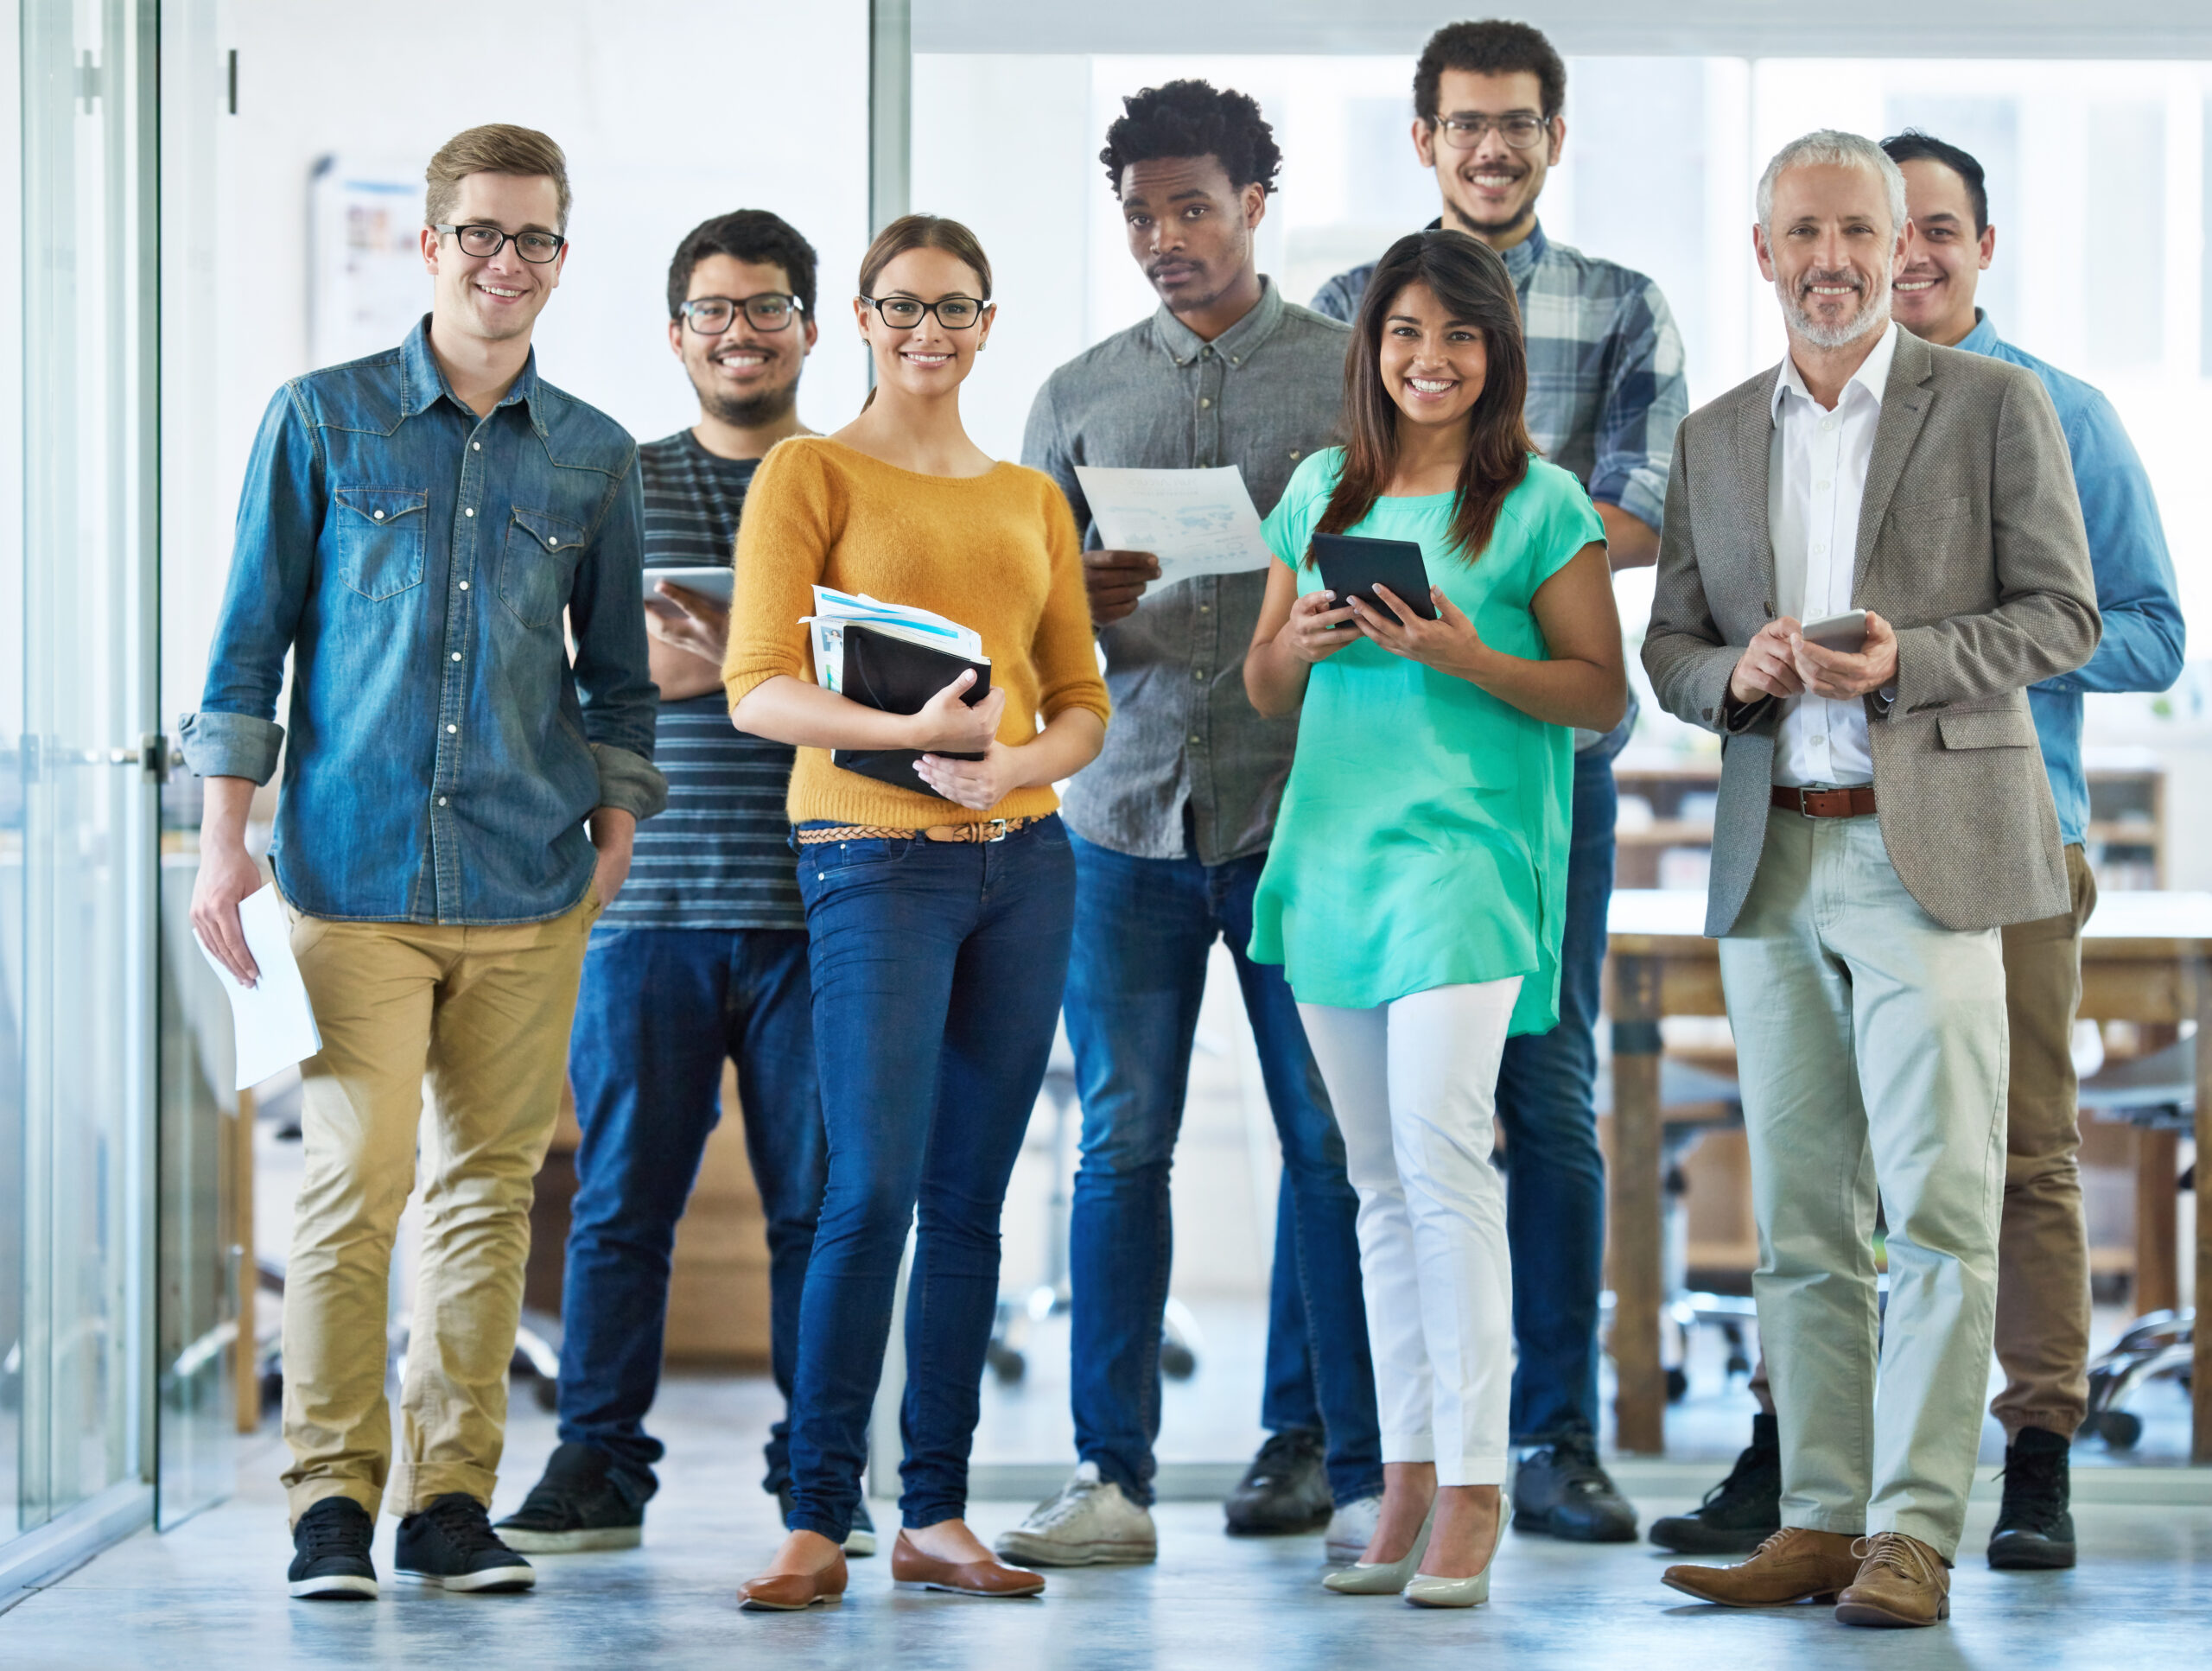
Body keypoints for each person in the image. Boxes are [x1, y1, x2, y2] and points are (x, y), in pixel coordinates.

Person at [1648, 130, 2185, 1571]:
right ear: (1764, 251)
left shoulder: (2004, 407)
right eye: (1801, 234)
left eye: (1858, 234)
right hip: (1775, 861)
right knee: (1802, 1220)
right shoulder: (1712, 435)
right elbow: (1668, 654)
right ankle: (1820, 1515)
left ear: (1904, 251)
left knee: (1951, 1208)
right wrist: (1739, 673)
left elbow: (2070, 618)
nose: (1831, 261)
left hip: (1930, 856)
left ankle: (1917, 1530)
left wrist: (1910, 659)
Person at [182, 124, 664, 1600]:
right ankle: (330, 1499)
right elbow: (249, 645)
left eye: (535, 240)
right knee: (354, 1189)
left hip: (531, 883)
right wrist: (225, 845)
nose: (506, 263)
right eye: (481, 234)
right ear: (431, 245)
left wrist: (614, 837)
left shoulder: (591, 452)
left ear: (561, 260)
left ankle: (447, 1502)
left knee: (489, 1197)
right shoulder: (320, 421)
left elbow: (622, 680)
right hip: (353, 880)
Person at [1303, 16, 1686, 1542]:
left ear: (1554, 132)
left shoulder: (1621, 305)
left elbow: (1642, 511)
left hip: (1540, 762)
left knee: (1544, 1090)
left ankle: (1552, 1439)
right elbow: (1324, 492)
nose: (1492, 144)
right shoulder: (1351, 301)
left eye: (1518, 120)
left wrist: (1496, 528)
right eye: (1465, 121)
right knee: (1362, 1136)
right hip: (1356, 781)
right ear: (1425, 137)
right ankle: (1339, 1445)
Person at [996, 78, 1382, 1572]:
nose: (1165, 237)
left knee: (1331, 1151)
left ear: (1253, 206)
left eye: (1192, 208)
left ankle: (1361, 1481)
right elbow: (1013, 624)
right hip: (1122, 820)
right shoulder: (1079, 392)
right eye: (1142, 214)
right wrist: (1065, 603)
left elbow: (1405, 556)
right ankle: (1112, 1480)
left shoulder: (1351, 373)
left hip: (1308, 814)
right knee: (1122, 1147)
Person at [721, 214, 1110, 1610]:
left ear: (988, 322)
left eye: (954, 308)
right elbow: (757, 686)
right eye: (901, 306)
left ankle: (935, 1514)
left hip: (1026, 861)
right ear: (864, 320)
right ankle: (817, 1515)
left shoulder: (1028, 499)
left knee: (967, 1203)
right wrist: (904, 725)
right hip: (872, 856)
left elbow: (1082, 703)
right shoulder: (807, 469)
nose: (927, 329)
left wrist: (1010, 762)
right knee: (867, 1187)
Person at [1243, 227, 1626, 1608]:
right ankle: (1404, 1467)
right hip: (1336, 860)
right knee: (1376, 1182)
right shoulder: (1317, 488)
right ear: (1374, 347)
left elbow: (1600, 695)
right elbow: (1263, 688)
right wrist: (1298, 642)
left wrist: (1465, 652)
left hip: (1467, 866)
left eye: (1458, 337)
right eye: (1406, 334)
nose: (1430, 359)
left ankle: (1474, 1481)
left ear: (1495, 353)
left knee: (1445, 1155)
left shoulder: (1540, 501)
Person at [493, 210, 869, 1558]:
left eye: (768, 309)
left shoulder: (853, 485)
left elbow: (911, 676)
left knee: (819, 1208)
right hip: (644, 905)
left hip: (825, 901)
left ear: (812, 331)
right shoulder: (613, 484)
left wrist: (748, 671)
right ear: (675, 334)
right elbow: (541, 678)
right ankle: (598, 1460)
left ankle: (823, 1470)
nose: (740, 333)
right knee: (619, 1203)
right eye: (713, 311)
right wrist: (647, 677)